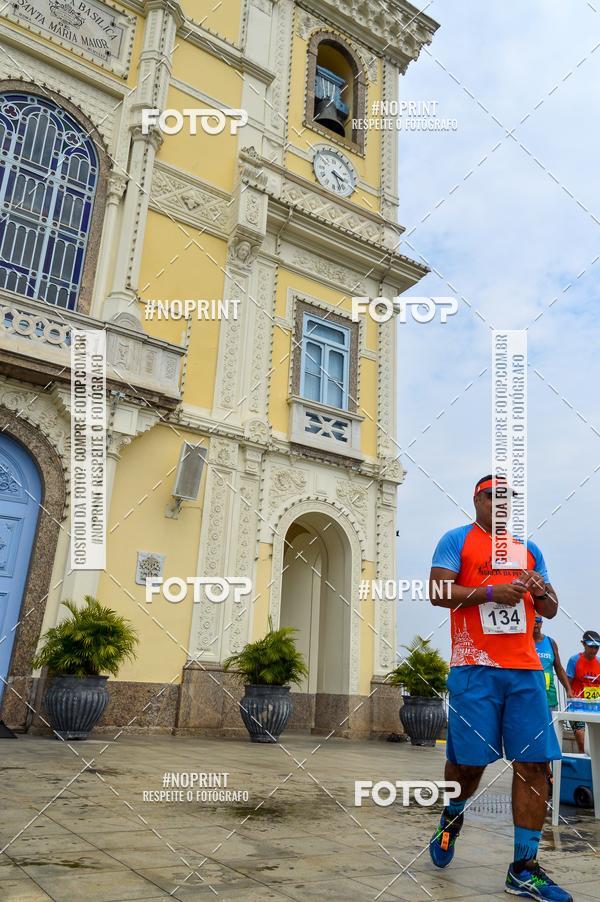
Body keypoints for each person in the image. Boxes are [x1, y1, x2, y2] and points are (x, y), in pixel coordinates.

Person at [427, 475, 571, 902]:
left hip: (525, 670)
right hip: (475, 668)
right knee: (469, 767)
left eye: (510, 500)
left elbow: (552, 607)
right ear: (477, 500)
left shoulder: (530, 549)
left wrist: (540, 592)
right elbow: (438, 590)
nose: (502, 505)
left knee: (535, 765)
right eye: (493, 497)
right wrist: (492, 590)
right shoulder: (457, 540)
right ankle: (452, 816)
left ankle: (523, 868)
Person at [565, 630, 600, 754]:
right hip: (577, 706)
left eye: (597, 647)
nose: (594, 650)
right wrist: (569, 694)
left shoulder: (599, 662)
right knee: (583, 744)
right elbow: (567, 681)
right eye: (591, 646)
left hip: (594, 707)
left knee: (594, 746)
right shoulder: (574, 660)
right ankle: (583, 770)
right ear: (583, 644)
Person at [534, 616, 572, 713]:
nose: (535, 624)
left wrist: (568, 689)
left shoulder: (550, 642)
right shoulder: (523, 642)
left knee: (551, 727)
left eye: (537, 621)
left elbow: (559, 669)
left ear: (541, 623)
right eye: (532, 620)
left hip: (550, 700)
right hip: (530, 700)